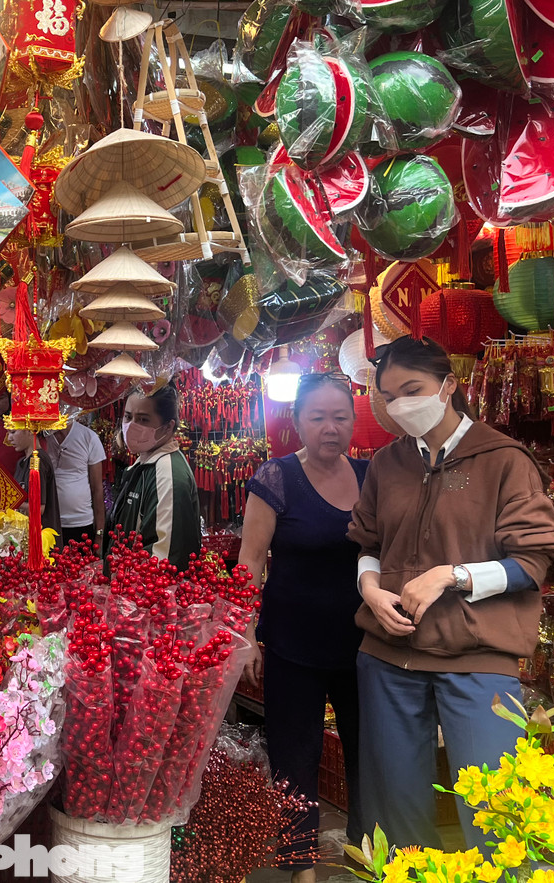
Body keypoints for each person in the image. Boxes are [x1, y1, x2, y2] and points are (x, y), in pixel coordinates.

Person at [350, 336, 554, 851]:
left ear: (448, 386)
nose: (400, 405)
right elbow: (368, 543)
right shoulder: (386, 464)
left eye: (413, 389)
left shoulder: (503, 459)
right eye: (388, 395)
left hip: (478, 656)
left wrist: (454, 575)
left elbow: (532, 561)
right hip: (389, 654)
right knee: (393, 810)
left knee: (498, 811)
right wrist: (370, 587)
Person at [239, 373, 367, 878]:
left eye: (340, 417)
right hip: (292, 647)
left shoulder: (369, 476)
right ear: (297, 423)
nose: (330, 428)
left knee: (366, 755)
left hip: (361, 646)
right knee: (296, 758)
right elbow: (249, 563)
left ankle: (365, 854)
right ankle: (301, 867)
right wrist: (245, 636)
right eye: (318, 417)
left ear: (354, 422)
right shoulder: (275, 478)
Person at [109, 383, 201, 569]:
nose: (131, 426)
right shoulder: (143, 464)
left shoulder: (167, 474)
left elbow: (164, 558)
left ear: (168, 427)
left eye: (143, 420)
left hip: (146, 591)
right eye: (128, 417)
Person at [43, 415, 106, 550]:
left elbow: (97, 489)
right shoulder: (40, 437)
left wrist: (99, 533)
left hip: (81, 522)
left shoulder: (89, 437)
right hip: (49, 522)